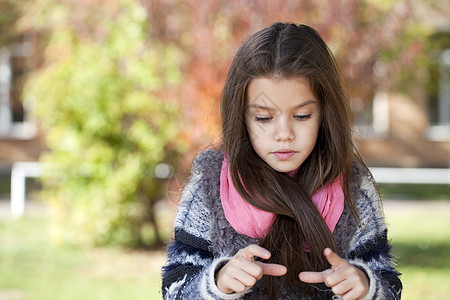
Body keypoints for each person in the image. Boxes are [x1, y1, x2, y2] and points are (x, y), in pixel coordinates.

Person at [161, 22, 402, 299]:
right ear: (240, 116)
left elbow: (390, 286)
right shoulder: (209, 185)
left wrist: (366, 286)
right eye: (264, 118)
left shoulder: (353, 187)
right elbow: (174, 290)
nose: (284, 135)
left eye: (302, 116)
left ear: (325, 114)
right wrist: (219, 282)